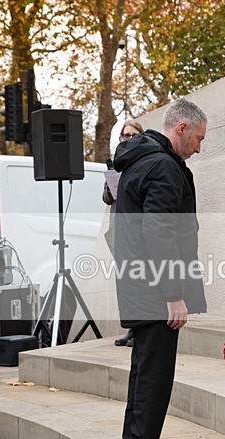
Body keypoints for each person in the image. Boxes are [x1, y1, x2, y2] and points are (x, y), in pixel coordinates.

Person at [113, 98, 207, 439]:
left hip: (139, 285)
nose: (199, 148)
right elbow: (158, 232)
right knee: (154, 379)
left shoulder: (141, 160)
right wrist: (173, 293)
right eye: (198, 138)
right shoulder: (163, 166)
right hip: (155, 292)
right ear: (181, 128)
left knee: (143, 375)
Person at [103, 119, 145, 348]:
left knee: (138, 281)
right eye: (125, 136)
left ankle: (139, 330)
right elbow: (106, 198)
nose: (128, 139)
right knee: (124, 281)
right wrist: (112, 186)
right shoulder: (117, 164)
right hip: (118, 228)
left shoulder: (144, 162)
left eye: (133, 135)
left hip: (136, 231)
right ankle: (130, 328)